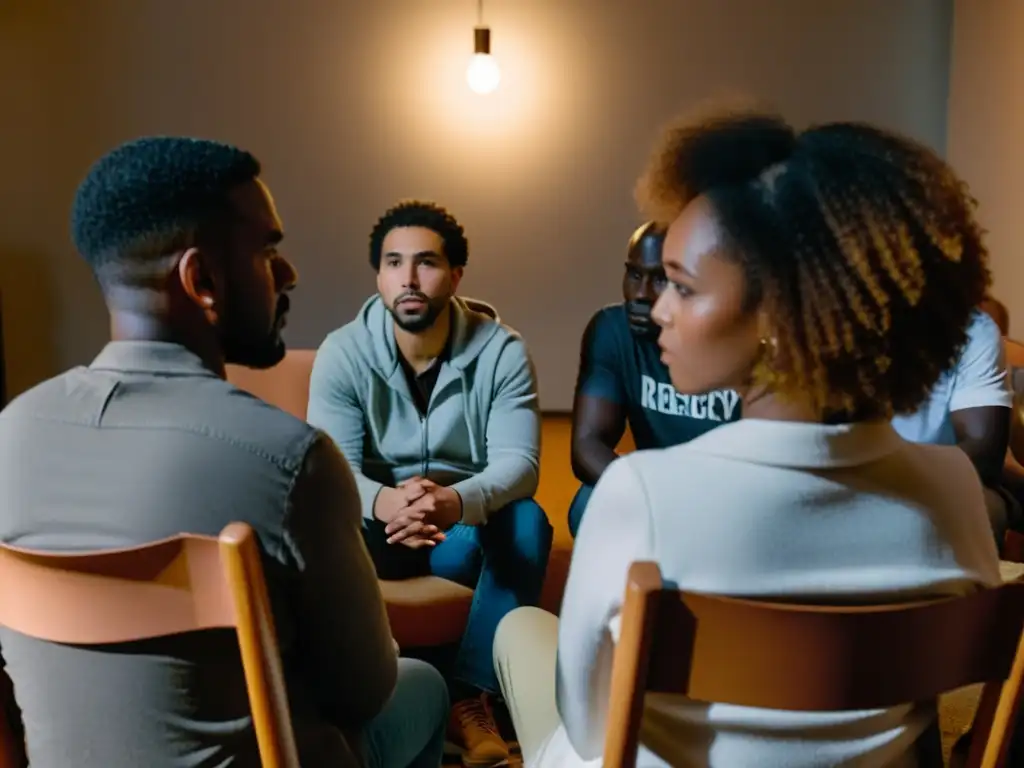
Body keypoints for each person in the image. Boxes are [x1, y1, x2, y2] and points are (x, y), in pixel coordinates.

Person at [491, 109, 1002, 767]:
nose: (658, 308)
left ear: (778, 315)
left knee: (520, 630)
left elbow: (592, 728)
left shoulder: (642, 492)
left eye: (682, 286)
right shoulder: (953, 487)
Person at [0, 138, 449, 768]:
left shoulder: (12, 432)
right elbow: (364, 692)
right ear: (202, 280)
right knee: (422, 684)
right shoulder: (289, 459)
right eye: (267, 250)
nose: (288, 273)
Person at [307, 200, 552, 767]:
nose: (409, 279)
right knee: (310, 520)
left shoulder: (502, 351)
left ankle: (469, 698)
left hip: (456, 534)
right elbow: (332, 469)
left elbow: (520, 464)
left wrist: (454, 502)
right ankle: (358, 695)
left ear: (456, 275)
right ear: (379, 276)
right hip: (373, 531)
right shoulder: (343, 352)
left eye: (427, 262)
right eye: (394, 263)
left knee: (526, 521)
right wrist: (388, 501)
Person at [569, 222, 740, 536]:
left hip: (734, 495)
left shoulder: (741, 339)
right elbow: (587, 444)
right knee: (589, 503)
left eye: (660, 279)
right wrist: (654, 496)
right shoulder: (613, 331)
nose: (641, 294)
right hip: (658, 488)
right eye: (634, 275)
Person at [890, 307, 1015, 542]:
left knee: (985, 507)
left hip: (943, 484)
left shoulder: (973, 329)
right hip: (839, 474)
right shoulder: (828, 324)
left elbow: (983, 458)